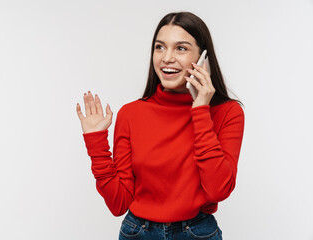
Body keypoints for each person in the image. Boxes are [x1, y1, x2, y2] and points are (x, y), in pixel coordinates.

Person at [76, 11, 244, 240]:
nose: (166, 58)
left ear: (204, 58)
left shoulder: (227, 112)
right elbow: (118, 203)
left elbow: (218, 189)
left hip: (197, 233)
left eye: (181, 48)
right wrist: (96, 144)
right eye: (160, 47)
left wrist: (201, 109)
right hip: (137, 233)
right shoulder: (131, 114)